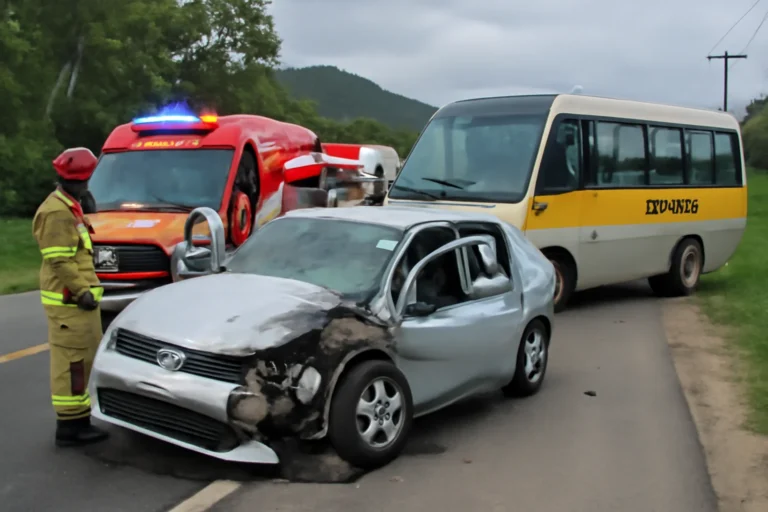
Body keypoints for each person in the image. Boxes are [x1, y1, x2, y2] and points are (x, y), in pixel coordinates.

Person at [32, 147, 109, 447]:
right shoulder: (56, 213)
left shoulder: (69, 207)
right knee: (72, 364)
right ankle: (70, 427)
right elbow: (60, 261)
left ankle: (79, 420)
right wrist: (81, 292)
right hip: (70, 302)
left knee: (82, 360)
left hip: (76, 301)